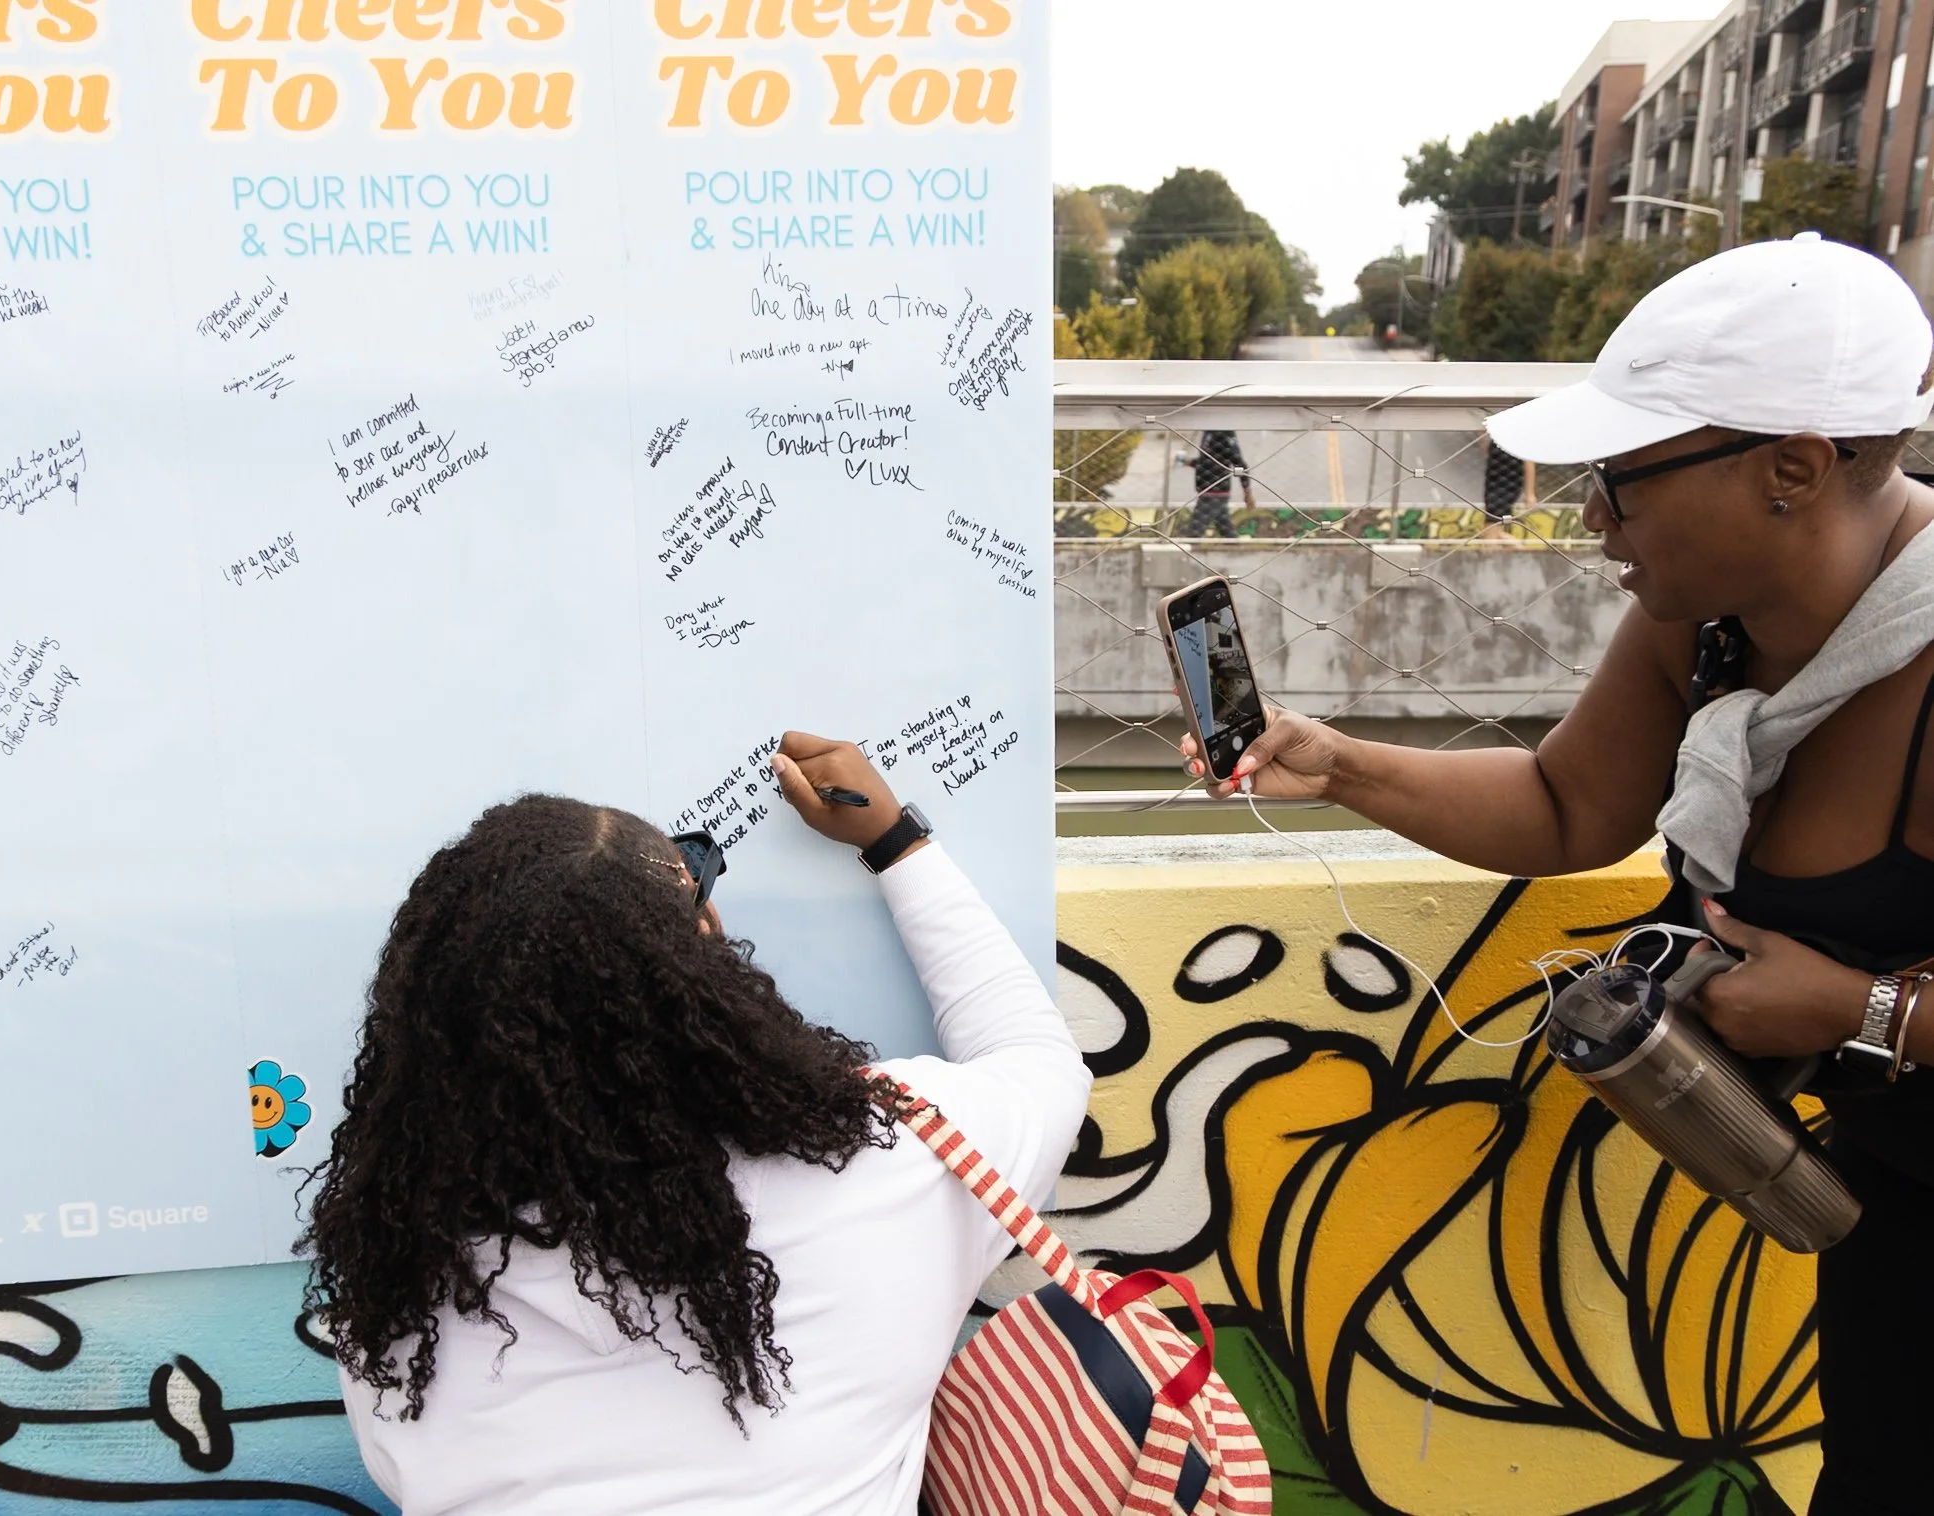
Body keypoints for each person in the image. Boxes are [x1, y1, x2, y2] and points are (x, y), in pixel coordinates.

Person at [1184, 232, 1934, 1514]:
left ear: (1794, 469)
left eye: (1619, 480)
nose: (1588, 521)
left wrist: (1862, 1011)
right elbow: (1569, 801)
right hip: (1891, 1215)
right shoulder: (1698, 621)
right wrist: (1337, 762)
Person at [303, 734, 1089, 1515]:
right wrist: (896, 842)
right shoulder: (898, 1160)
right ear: (704, 939)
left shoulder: (397, 1281)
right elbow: (1037, 1057)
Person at [1190, 429, 1255, 537]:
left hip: (1214, 491)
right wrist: (1189, 462)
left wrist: (1247, 492)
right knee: (1225, 529)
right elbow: (1209, 460)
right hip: (1209, 490)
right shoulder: (1208, 432)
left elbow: (1239, 464)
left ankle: (1187, 552)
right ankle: (1236, 549)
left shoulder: (1224, 433)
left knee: (1194, 532)